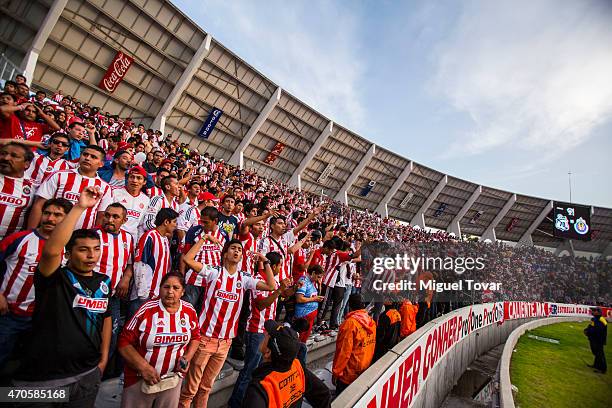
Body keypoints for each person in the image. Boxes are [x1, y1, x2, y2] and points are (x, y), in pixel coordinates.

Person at [12, 186, 112, 407]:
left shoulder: (104, 282)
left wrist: (103, 360)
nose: (91, 255)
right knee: (10, 397)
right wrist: (79, 207)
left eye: (96, 249)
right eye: (83, 249)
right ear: (67, 254)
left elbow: (105, 318)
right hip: (45, 379)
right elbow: (50, 251)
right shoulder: (55, 277)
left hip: (87, 375)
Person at [179, 238, 276, 408]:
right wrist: (205, 239)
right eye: (233, 248)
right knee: (190, 390)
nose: (237, 251)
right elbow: (187, 259)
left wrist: (265, 260)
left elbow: (271, 286)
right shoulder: (213, 272)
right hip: (204, 339)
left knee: (206, 387)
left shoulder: (244, 278)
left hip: (225, 343)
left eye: (239, 249)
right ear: (225, 254)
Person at [0, 198, 72, 367]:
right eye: (47, 213)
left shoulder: (69, 248)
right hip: (8, 313)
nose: (50, 219)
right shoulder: (20, 239)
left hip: (43, 318)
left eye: (57, 215)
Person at [118, 272, 201, 407]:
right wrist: (143, 367)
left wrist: (186, 358)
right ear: (160, 288)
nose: (170, 292)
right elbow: (123, 342)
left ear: (183, 291)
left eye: (176, 288)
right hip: (139, 380)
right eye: (166, 287)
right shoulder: (147, 310)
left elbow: (196, 337)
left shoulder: (189, 311)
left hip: (172, 380)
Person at [228, 252, 292, 408]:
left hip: (266, 330)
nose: (280, 269)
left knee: (255, 370)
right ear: (274, 265)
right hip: (256, 330)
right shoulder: (257, 279)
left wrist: (290, 289)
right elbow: (261, 304)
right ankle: (235, 404)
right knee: (249, 370)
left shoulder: (273, 280)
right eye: (279, 265)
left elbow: (283, 296)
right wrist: (278, 291)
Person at [243, 320, 331, 408]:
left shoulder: (260, 388)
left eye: (268, 334)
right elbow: (324, 394)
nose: (265, 334)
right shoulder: (297, 367)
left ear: (268, 352)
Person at [29, 144, 113, 230]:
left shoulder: (105, 187)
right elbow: (39, 205)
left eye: (93, 157)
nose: (87, 158)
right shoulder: (59, 175)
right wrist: (30, 232)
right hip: (51, 234)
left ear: (101, 164)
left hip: (81, 239)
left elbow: (100, 216)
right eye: (85, 154)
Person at [94, 202, 134, 356]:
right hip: (91, 296)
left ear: (124, 220)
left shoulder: (128, 238)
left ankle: (102, 371)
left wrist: (126, 278)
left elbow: (130, 264)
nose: (109, 219)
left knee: (111, 336)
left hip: (113, 297)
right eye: (107, 215)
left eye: (115, 217)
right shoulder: (92, 235)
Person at [129, 208, 178, 318]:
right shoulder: (149, 237)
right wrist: (143, 294)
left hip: (157, 295)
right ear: (166, 222)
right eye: (174, 222)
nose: (176, 226)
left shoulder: (164, 239)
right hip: (145, 296)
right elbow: (140, 264)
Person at [181, 206, 227, 311]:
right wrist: (182, 276)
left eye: (206, 222)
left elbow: (225, 259)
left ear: (215, 221)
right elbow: (184, 255)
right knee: (187, 310)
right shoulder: (193, 232)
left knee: (206, 312)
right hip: (193, 280)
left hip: (213, 281)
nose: (202, 224)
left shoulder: (224, 235)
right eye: (201, 221)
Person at [332, 294, 376, 396]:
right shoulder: (371, 322)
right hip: (364, 369)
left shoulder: (350, 324)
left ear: (350, 306)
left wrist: (336, 373)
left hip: (348, 374)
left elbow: (343, 352)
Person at [0, 142, 35, 240]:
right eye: (3, 153)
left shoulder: (33, 188)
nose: (6, 158)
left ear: (26, 164)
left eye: (14, 156)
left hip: (8, 246)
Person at [112, 166, 150, 239]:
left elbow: (140, 225)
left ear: (144, 182)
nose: (134, 181)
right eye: (132, 177)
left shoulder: (146, 199)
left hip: (132, 240)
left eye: (139, 178)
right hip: (114, 237)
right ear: (127, 179)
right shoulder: (115, 192)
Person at [295, 265, 326, 342]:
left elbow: (316, 294)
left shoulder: (313, 282)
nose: (319, 279)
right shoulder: (304, 281)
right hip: (303, 316)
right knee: (299, 341)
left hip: (310, 317)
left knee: (304, 341)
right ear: (313, 273)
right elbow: (299, 299)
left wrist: (319, 285)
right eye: (318, 277)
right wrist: (314, 299)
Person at [584, 307, 607, 374]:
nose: (592, 311)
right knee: (596, 353)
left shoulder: (601, 320)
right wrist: (586, 330)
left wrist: (588, 333)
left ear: (598, 312)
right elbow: (591, 327)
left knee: (600, 354)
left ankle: (602, 369)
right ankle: (596, 365)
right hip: (594, 339)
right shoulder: (595, 319)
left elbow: (597, 331)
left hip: (598, 340)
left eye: (594, 311)